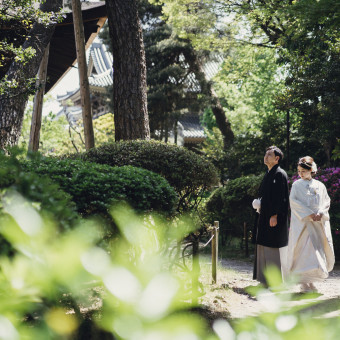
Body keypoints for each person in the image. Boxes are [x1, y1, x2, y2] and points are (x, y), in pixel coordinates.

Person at [286, 156, 335, 292]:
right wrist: (308, 213)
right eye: (299, 171)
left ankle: (311, 281)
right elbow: (294, 202)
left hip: (317, 223)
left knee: (316, 253)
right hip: (304, 225)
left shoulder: (320, 185)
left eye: (303, 171)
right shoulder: (296, 185)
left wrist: (320, 212)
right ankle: (302, 282)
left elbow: (326, 201)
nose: (300, 174)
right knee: (303, 252)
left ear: (311, 170)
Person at [252, 146, 289, 286]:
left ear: (277, 158)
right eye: (265, 154)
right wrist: (259, 203)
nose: (265, 156)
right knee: (263, 244)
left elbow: (280, 197)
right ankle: (264, 279)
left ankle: (275, 281)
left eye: (269, 155)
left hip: (273, 217)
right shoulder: (268, 173)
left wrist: (274, 215)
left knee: (273, 246)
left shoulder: (279, 174)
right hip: (264, 214)